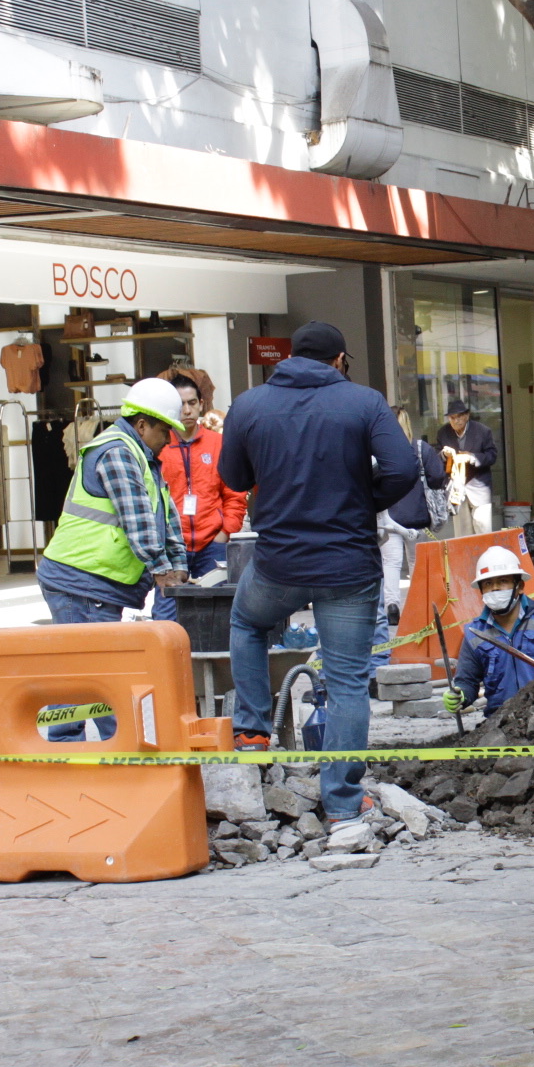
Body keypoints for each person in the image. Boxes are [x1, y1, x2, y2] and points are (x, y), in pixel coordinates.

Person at [220, 322, 417, 822]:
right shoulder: (364, 402)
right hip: (348, 564)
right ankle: (342, 802)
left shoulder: (248, 404)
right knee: (348, 681)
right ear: (338, 360)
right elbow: (401, 468)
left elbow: (233, 476)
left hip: (278, 562)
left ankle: (252, 730)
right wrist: (362, 500)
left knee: (247, 623)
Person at [35, 379, 188, 742]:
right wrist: (162, 570)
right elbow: (137, 520)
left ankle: (115, 747)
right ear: (142, 424)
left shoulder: (144, 458)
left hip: (96, 582)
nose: (169, 438)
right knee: (90, 673)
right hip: (82, 580)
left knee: (91, 670)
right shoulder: (118, 452)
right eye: (165, 429)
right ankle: (86, 749)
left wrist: (178, 564)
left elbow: (164, 517)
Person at [442, 546, 534, 717]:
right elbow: (467, 680)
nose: (495, 588)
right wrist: (460, 695)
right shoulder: (475, 633)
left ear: (519, 586)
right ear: (481, 590)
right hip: (502, 723)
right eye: (488, 583)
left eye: (503, 581)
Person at [150, 372, 247, 621]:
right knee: (166, 616)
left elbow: (235, 491)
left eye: (192, 403)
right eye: (181, 404)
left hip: (211, 545)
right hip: (171, 546)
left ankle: (210, 661)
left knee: (215, 615)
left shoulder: (218, 443)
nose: (187, 410)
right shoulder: (158, 445)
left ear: (201, 404)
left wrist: (225, 532)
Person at [378, 406, 448, 629]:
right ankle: (418, 606)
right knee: (417, 564)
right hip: (417, 518)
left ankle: (392, 606)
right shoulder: (420, 449)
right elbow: (438, 478)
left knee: (391, 564)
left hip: (389, 517)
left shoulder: (380, 450)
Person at [437, 399, 497, 537]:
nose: (456, 421)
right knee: (462, 532)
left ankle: (484, 558)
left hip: (479, 487)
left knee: (483, 530)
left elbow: (492, 456)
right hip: (456, 488)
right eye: (452, 418)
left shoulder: (482, 431)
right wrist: (444, 454)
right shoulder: (443, 433)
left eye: (459, 417)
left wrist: (472, 457)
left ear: (467, 415)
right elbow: (436, 456)